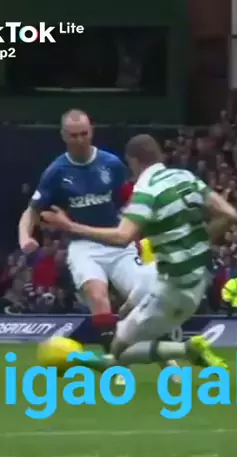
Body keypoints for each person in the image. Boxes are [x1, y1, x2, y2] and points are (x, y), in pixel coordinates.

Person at [41, 134, 236, 370]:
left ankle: (187, 349)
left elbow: (122, 237)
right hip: (198, 281)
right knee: (135, 304)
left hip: (173, 288)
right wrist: (197, 242)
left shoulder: (146, 191)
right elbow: (229, 214)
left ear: (133, 161)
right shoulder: (185, 177)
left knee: (119, 349)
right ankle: (175, 352)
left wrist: (70, 226)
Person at [18, 111, 180, 384]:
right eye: (74, 135)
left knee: (145, 300)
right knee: (98, 295)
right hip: (84, 247)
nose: (80, 140)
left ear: (91, 131)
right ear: (64, 136)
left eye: (84, 134)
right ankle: (118, 368)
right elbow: (32, 210)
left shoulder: (111, 164)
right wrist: (25, 237)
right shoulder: (56, 172)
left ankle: (166, 359)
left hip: (118, 241)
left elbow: (132, 199)